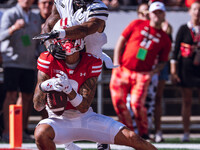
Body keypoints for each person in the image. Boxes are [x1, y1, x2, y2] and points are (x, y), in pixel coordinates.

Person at [33, 17, 158, 150]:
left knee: (133, 138)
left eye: (71, 37)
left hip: (86, 118)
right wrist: (44, 86)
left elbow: (83, 107)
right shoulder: (48, 60)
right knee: (41, 133)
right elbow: (37, 106)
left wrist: (69, 90)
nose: (67, 43)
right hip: (59, 121)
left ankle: (103, 140)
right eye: (64, 38)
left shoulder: (92, 62)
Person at [39, 0, 115, 149]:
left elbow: (86, 28)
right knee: (55, 91)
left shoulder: (98, 7)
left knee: (82, 98)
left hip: (89, 52)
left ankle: (100, 133)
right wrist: (51, 46)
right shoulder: (63, 1)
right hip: (65, 45)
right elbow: (48, 24)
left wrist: (61, 33)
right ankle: (68, 143)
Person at [109, 1, 171, 140]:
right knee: (118, 102)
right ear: (150, 14)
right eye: (154, 12)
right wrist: (116, 63)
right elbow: (121, 41)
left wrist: (153, 72)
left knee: (137, 105)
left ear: (163, 15)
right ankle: (128, 131)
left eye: (160, 12)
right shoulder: (137, 24)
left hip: (142, 74)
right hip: (123, 69)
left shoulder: (165, 38)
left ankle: (144, 132)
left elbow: (163, 61)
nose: (157, 15)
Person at [0, 0, 41, 142]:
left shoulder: (36, 17)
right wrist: (13, 28)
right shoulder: (9, 14)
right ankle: (7, 131)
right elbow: (1, 36)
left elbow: (37, 43)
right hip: (12, 62)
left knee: (27, 97)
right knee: (10, 95)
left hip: (29, 63)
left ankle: (21, 131)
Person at [170, 1, 200, 142]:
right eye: (194, 9)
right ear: (190, 11)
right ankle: (186, 132)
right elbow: (175, 52)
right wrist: (174, 71)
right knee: (187, 101)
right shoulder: (183, 28)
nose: (197, 12)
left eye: (199, 9)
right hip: (186, 69)